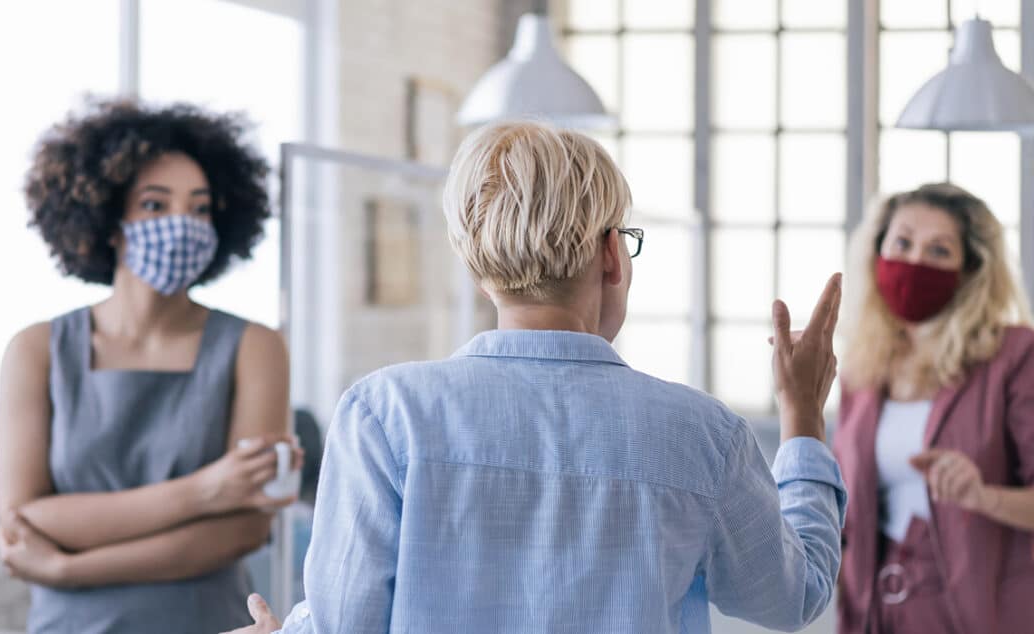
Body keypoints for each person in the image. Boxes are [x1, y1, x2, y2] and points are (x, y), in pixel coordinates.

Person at [230, 120, 846, 633]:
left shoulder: (385, 413)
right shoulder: (703, 434)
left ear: (477, 267)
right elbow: (794, 598)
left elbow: (347, 622)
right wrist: (803, 417)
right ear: (611, 256)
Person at [0, 100, 297, 633]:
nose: (183, 225)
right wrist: (206, 490)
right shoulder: (35, 350)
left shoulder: (255, 346)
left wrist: (70, 566)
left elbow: (245, 530)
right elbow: (26, 520)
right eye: (155, 206)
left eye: (200, 208)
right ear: (109, 222)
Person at [833, 183, 1034, 633]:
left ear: (970, 270)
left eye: (939, 251)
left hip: (979, 611)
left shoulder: (1015, 356)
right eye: (902, 243)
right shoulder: (863, 365)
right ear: (876, 249)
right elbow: (846, 502)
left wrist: (983, 496)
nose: (915, 261)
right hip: (874, 611)